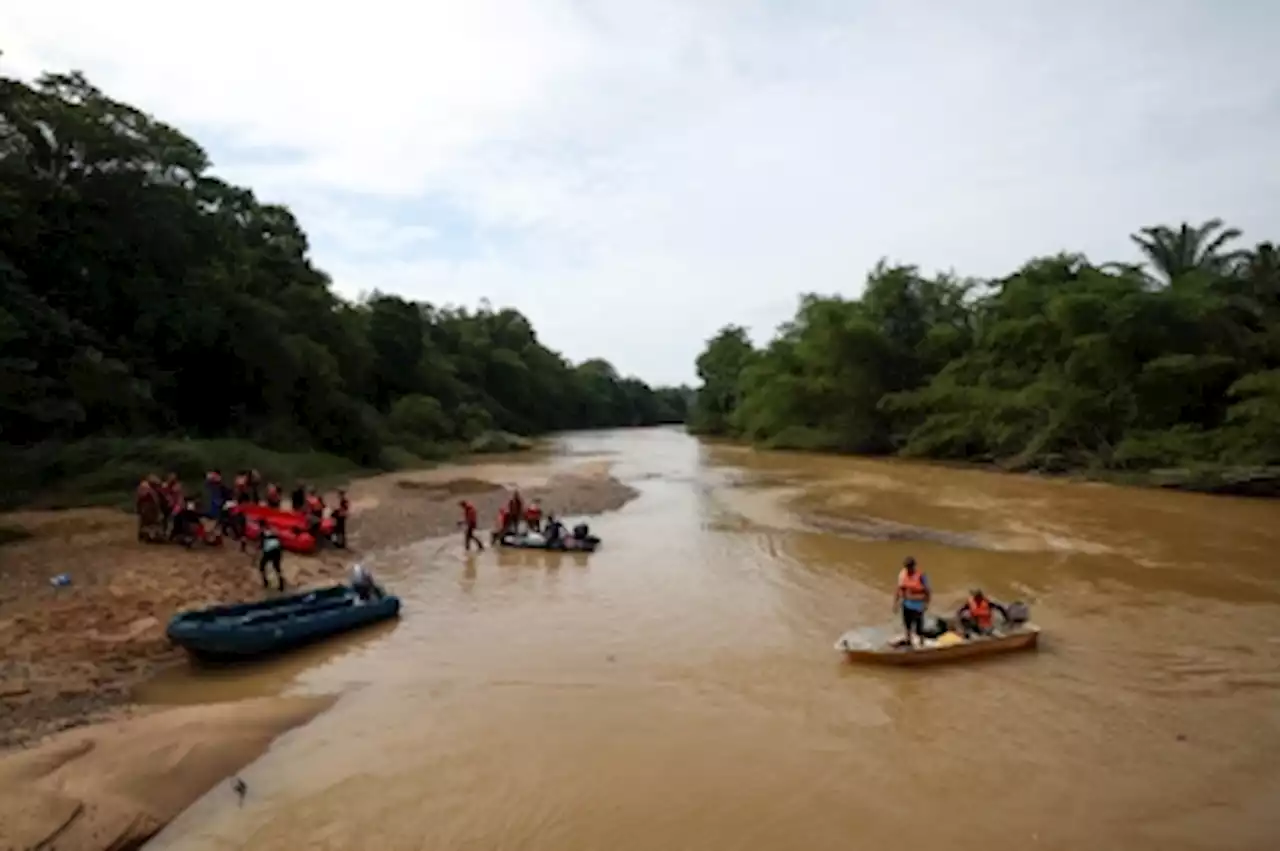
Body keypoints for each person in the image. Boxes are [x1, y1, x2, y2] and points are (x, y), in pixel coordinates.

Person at [892, 556, 931, 648]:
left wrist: (926, 604)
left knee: (919, 628)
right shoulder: (903, 575)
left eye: (910, 567)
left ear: (914, 566)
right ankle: (909, 641)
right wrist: (896, 603)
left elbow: (928, 592)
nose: (908, 570)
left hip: (918, 606)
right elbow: (899, 589)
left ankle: (921, 644)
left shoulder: (921, 576)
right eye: (907, 567)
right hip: (906, 605)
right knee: (907, 625)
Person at [258, 525, 286, 591]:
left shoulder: (262, 532)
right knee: (277, 568)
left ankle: (265, 581)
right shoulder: (274, 530)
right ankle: (281, 584)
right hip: (277, 550)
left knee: (261, 566)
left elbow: (261, 544)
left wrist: (260, 547)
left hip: (269, 551)